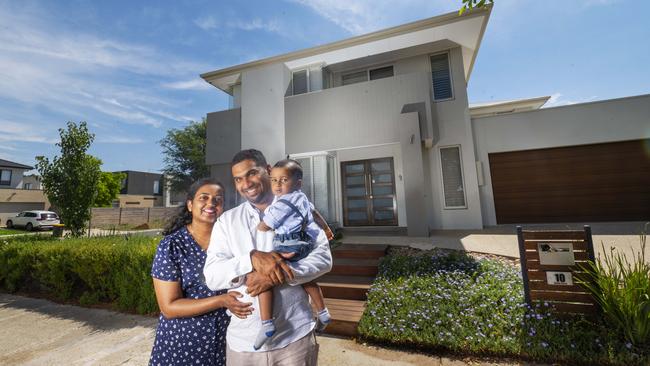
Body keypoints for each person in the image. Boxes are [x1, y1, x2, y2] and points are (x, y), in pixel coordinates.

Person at [204, 149, 333, 366]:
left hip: (295, 338)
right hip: (243, 344)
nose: (246, 183)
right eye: (238, 179)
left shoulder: (300, 208)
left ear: (268, 170)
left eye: (251, 173)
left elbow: (323, 258)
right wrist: (250, 259)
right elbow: (212, 276)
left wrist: (276, 275)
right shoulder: (227, 221)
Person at [149, 178, 253, 366]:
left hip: (226, 341)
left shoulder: (233, 243)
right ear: (190, 205)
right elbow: (169, 307)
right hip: (183, 344)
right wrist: (221, 301)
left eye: (218, 199)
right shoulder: (172, 246)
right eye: (203, 198)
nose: (211, 203)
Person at [253, 159, 331, 350]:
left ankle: (266, 324)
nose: (277, 185)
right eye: (274, 180)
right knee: (308, 280)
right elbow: (315, 214)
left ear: (297, 183)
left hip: (288, 245)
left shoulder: (283, 202)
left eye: (283, 180)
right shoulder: (302, 197)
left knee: (265, 274)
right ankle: (323, 311)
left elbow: (268, 223)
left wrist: (260, 227)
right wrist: (327, 229)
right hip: (304, 243)